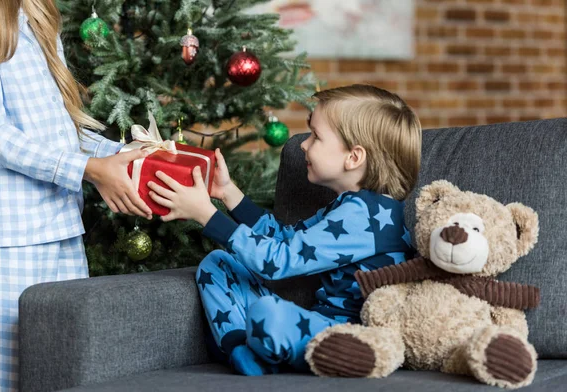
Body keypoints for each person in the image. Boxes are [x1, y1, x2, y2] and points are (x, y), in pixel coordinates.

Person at [149, 84, 422, 375]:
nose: (303, 144)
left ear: (354, 157)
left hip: (345, 335)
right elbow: (285, 239)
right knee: (218, 264)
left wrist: (208, 215)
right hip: (317, 324)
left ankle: (266, 348)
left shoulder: (365, 215)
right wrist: (230, 194)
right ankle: (242, 350)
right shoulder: (350, 207)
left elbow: (278, 262)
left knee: (269, 314)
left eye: (316, 136)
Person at [0, 1, 153, 392]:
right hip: (8, 233)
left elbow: (62, 133)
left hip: (63, 225)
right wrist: (87, 171)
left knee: (65, 372)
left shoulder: (35, 21)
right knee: (7, 383)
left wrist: (118, 156)